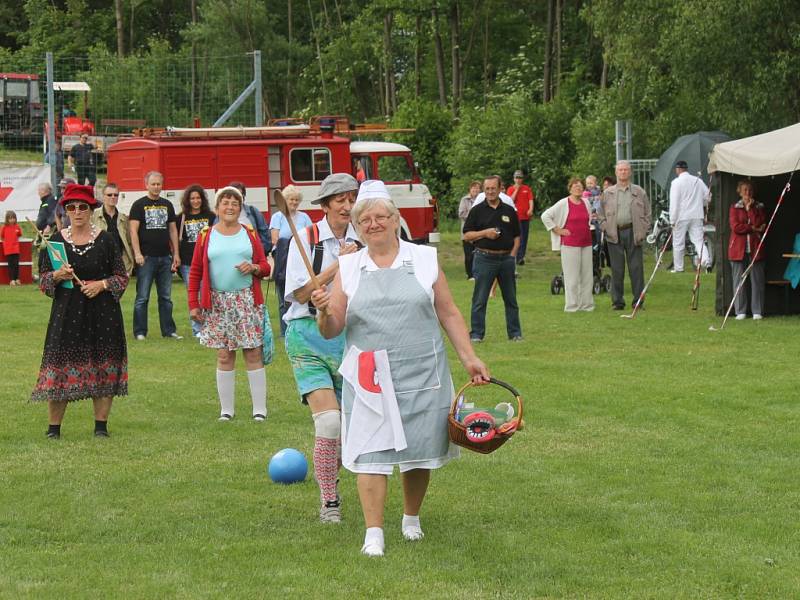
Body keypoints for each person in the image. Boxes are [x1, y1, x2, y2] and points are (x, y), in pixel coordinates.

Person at [311, 180, 490, 557]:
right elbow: (332, 329)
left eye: (380, 217)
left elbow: (448, 311)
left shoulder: (424, 258)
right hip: (369, 375)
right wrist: (323, 310)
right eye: (365, 220)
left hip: (422, 370)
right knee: (369, 451)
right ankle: (373, 532)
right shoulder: (349, 265)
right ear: (357, 227)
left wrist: (469, 357)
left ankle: (411, 518)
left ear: (396, 220)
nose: (373, 224)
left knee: (419, 448)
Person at [283, 172, 361, 524]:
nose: (347, 206)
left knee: (351, 424)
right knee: (329, 421)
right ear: (326, 205)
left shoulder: (367, 238)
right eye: (340, 200)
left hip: (350, 335)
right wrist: (337, 267)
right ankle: (330, 501)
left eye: (351, 198)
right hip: (305, 334)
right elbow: (298, 295)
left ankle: (342, 476)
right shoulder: (307, 237)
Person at [30, 184, 129, 439]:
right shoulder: (54, 242)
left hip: (103, 312)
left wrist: (102, 284)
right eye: (71, 207)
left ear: (91, 209)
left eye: (82, 207)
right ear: (65, 211)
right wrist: (56, 275)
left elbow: (121, 276)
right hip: (67, 312)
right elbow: (42, 281)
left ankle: (100, 428)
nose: (77, 211)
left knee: (103, 365)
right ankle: (54, 430)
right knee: (60, 365)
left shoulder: (106, 240)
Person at [188, 186, 271, 420]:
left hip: (246, 300)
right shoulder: (206, 235)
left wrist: (253, 267)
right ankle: (226, 411)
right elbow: (195, 271)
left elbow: (265, 267)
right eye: (225, 202)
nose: (230, 207)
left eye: (235, 203)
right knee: (224, 355)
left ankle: (259, 410)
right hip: (217, 303)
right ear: (217, 208)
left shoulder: (250, 233)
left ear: (240, 207)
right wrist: (194, 303)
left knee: (253, 352)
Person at [462, 175, 522, 342]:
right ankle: (476, 334)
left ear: (500, 188)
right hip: (484, 258)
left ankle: (515, 333)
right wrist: (485, 233)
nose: (490, 192)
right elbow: (467, 235)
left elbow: (517, 236)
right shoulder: (477, 210)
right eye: (487, 189)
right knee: (480, 299)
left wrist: (512, 256)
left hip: (506, 259)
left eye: (493, 188)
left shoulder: (509, 210)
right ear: (484, 190)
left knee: (511, 299)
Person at [129, 171, 182, 340]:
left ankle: (169, 331)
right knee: (142, 297)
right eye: (153, 184)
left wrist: (176, 254)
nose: (156, 187)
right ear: (146, 185)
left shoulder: (167, 204)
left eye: (159, 184)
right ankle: (140, 332)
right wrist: (137, 253)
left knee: (166, 297)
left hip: (165, 257)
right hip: (146, 258)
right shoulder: (138, 205)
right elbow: (133, 231)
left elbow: (173, 230)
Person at [598, 161, 652, 310]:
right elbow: (600, 214)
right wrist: (605, 227)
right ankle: (617, 302)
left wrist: (644, 230)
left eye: (625, 170)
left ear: (630, 172)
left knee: (636, 269)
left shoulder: (639, 191)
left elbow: (648, 214)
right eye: (620, 170)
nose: (623, 172)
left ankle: (638, 301)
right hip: (614, 234)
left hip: (634, 233)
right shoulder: (608, 193)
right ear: (616, 172)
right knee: (617, 269)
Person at [541, 178, 595, 312]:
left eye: (580, 186)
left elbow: (588, 220)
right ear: (570, 188)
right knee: (572, 277)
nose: (578, 188)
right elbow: (545, 216)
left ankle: (587, 305)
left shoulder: (586, 202)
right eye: (575, 186)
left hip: (586, 243)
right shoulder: (563, 203)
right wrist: (557, 229)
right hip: (570, 244)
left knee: (587, 276)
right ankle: (572, 306)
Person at [270, 184, 312, 336]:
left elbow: (310, 238)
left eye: (296, 200)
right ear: (285, 200)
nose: (293, 203)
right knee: (283, 296)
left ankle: (299, 327)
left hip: (301, 259)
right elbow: (275, 239)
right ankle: (284, 331)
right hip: (283, 259)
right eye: (290, 200)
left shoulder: (305, 217)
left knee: (300, 293)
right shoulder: (277, 217)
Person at [177, 184, 215, 337]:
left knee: (207, 293)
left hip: (208, 261)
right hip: (188, 262)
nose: (195, 201)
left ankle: (209, 326)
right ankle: (197, 329)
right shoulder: (181, 217)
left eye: (198, 197)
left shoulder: (211, 216)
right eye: (192, 198)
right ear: (188, 200)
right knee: (193, 294)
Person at [728, 180, 766, 320]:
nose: (747, 193)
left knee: (757, 280)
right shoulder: (734, 207)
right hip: (738, 249)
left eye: (750, 190)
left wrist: (750, 210)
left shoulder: (759, 207)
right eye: (744, 190)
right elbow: (736, 227)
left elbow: (759, 223)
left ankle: (757, 311)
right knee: (739, 280)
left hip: (756, 247)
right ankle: (741, 311)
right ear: (739, 191)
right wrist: (753, 229)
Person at [668, 160, 710, 273]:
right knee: (698, 240)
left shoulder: (676, 182)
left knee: (678, 242)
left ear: (677, 170)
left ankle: (679, 267)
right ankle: (706, 262)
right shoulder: (698, 180)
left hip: (681, 217)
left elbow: (674, 203)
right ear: (686, 169)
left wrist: (672, 219)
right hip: (697, 215)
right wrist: (700, 202)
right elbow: (708, 196)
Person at [91, 183, 134, 276]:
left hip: (119, 262)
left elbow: (128, 242)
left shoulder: (123, 218)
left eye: (116, 195)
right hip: (99, 261)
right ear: (103, 197)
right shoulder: (93, 215)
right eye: (109, 195)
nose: (113, 197)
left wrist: (128, 263)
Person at [224, 181, 271, 254]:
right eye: (234, 194)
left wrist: (261, 251)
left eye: (240, 194)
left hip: (253, 256)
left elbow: (264, 233)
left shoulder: (253, 211)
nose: (237, 198)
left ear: (244, 196)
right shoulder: (222, 214)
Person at [507, 170, 534, 266]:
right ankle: (515, 256)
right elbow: (510, 200)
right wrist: (517, 189)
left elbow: (530, 200)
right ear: (514, 179)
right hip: (515, 217)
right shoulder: (510, 189)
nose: (518, 180)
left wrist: (531, 209)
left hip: (525, 217)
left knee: (524, 238)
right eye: (517, 178)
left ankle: (521, 257)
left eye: (520, 178)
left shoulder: (527, 188)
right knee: (518, 237)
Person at [458, 181, 481, 280]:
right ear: (470, 189)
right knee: (468, 255)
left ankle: (477, 273)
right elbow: (461, 214)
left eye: (477, 188)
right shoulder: (464, 200)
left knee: (478, 254)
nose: (475, 190)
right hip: (467, 232)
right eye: (473, 188)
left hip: (479, 232)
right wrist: (473, 215)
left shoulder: (482, 200)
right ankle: (470, 275)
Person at [1, 211, 23, 285]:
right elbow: (2, 236)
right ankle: (12, 280)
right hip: (8, 249)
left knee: (16, 264)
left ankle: (17, 279)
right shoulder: (4, 227)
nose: (12, 220)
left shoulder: (17, 227)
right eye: (10, 218)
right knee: (11, 265)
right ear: (7, 219)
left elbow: (20, 234)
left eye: (13, 218)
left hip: (16, 249)